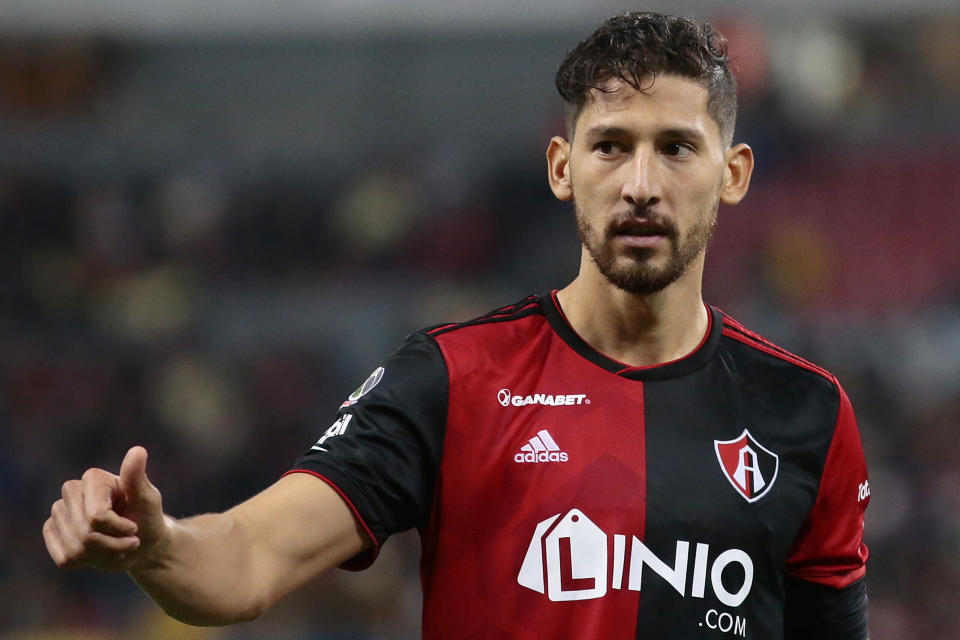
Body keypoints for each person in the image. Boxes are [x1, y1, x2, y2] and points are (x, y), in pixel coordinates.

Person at [42, 12, 870, 639]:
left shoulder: (807, 413)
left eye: (677, 149)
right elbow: (251, 557)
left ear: (732, 174)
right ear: (561, 167)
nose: (641, 184)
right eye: (611, 146)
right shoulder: (456, 377)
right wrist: (155, 546)